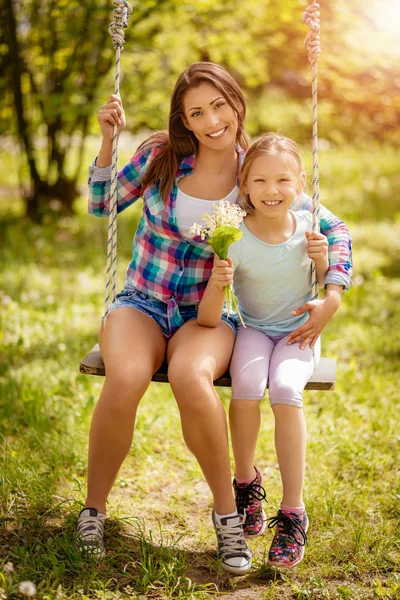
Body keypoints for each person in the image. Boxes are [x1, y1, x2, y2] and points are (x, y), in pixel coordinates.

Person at [77, 62, 352, 575]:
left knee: (189, 374)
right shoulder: (161, 156)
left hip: (208, 312)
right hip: (142, 299)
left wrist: (332, 290)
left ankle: (228, 515)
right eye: (196, 112)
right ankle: (94, 509)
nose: (211, 120)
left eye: (219, 106)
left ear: (236, 104)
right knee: (128, 374)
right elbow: (100, 205)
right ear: (183, 120)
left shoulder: (256, 170)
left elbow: (331, 228)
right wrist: (108, 143)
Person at [197, 132, 349, 568]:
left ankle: (293, 511)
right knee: (245, 383)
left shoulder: (310, 230)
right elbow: (211, 315)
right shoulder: (234, 238)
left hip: (298, 334)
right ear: (244, 185)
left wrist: (322, 262)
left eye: (283, 180)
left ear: (300, 184)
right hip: (253, 329)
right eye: (260, 181)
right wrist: (216, 280)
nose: (272, 190)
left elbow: (324, 285)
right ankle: (245, 483)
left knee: (285, 389)